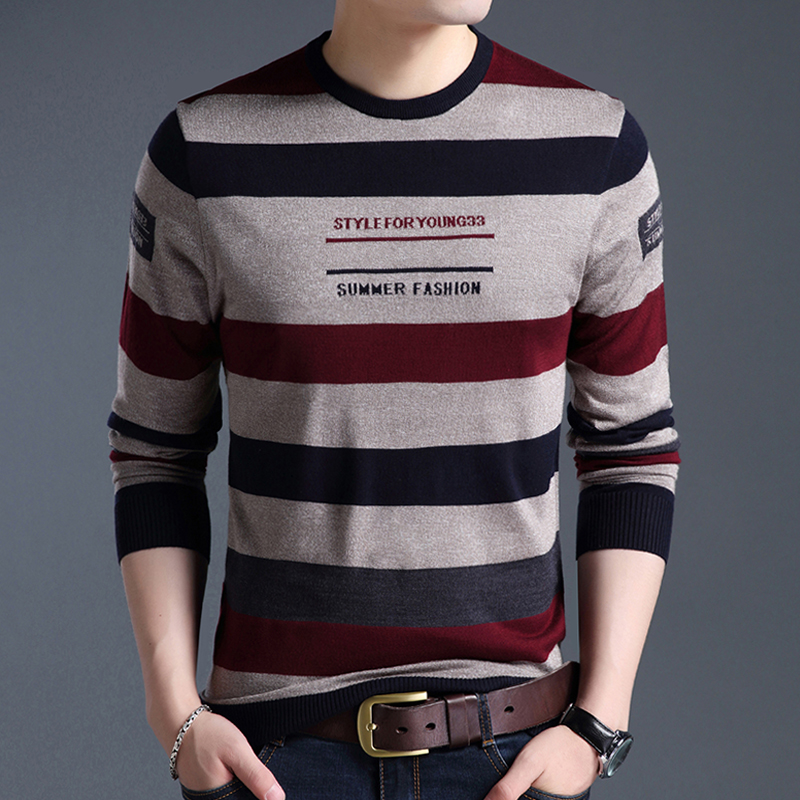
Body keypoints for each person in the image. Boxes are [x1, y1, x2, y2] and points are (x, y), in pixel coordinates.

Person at [109, 1, 679, 798]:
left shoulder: (595, 151)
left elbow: (632, 451)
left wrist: (597, 724)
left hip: (511, 760)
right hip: (276, 762)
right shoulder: (204, 155)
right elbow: (153, 452)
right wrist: (174, 713)